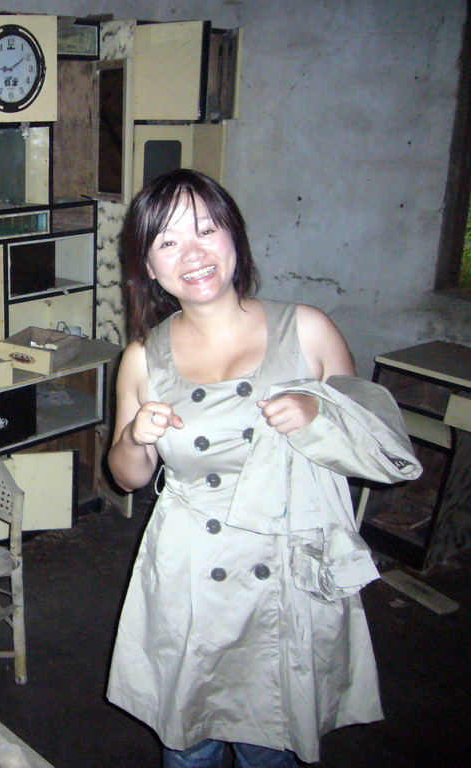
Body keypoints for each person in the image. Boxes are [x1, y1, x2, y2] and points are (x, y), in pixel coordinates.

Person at [105, 169, 421, 767]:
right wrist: (134, 435)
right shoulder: (144, 356)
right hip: (191, 576)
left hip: (283, 574)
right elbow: (127, 477)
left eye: (207, 229)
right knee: (188, 744)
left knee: (267, 745)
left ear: (234, 236)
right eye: (168, 241)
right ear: (149, 266)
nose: (193, 253)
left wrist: (317, 409)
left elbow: (379, 449)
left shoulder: (306, 328)